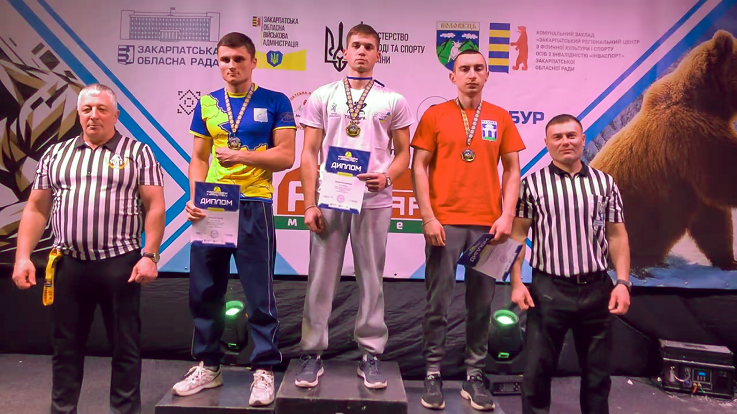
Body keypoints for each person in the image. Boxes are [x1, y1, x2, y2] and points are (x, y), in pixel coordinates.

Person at [12, 83, 165, 414]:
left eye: (101, 109)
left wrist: (150, 255)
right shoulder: (56, 154)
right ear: (79, 114)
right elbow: (36, 208)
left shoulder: (138, 152)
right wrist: (22, 257)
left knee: (125, 348)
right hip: (68, 264)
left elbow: (154, 206)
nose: (93, 115)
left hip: (120, 264)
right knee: (64, 348)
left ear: (115, 115)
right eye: (87, 109)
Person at [172, 32, 296, 406]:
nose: (231, 66)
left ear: (253, 62)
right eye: (225, 59)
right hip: (213, 203)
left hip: (253, 203)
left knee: (259, 293)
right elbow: (198, 157)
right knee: (206, 289)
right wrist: (195, 197)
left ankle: (263, 369)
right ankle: (208, 366)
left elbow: (286, 156)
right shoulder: (207, 103)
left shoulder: (275, 101)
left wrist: (243, 156)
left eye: (239, 59)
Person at [295, 23, 413, 390]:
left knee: (372, 277)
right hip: (330, 198)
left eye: (369, 47)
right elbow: (309, 153)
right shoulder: (322, 95)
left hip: (374, 199)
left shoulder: (393, 100)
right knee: (320, 276)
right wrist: (309, 203)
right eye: (356, 45)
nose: (362, 52)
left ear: (378, 54)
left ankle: (371, 353)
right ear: (344, 52)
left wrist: (388, 177)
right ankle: (311, 352)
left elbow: (404, 154)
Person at [411, 49, 526, 411]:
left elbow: (512, 170)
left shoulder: (500, 117)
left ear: (487, 75)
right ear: (453, 76)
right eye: (464, 69)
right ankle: (432, 373)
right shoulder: (435, 115)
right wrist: (428, 217)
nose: (472, 75)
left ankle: (474, 376)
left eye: (478, 69)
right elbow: (418, 167)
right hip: (444, 222)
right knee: (437, 303)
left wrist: (507, 215)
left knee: (481, 306)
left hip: (489, 227)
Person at [509, 114, 631, 414]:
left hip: (597, 290)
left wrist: (623, 283)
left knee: (598, 376)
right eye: (558, 137)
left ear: (582, 139)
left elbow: (617, 235)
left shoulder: (605, 183)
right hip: (549, 291)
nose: (565, 141)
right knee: (536, 372)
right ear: (547, 143)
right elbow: (517, 236)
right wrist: (516, 282)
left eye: (571, 135)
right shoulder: (532, 185)